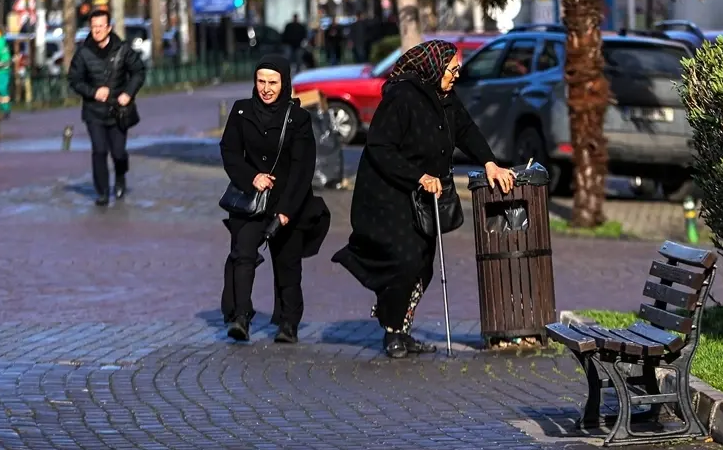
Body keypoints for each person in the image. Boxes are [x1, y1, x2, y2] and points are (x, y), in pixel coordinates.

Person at [332, 40, 516, 358]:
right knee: (404, 262)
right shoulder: (402, 97)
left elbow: (467, 130)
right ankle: (392, 331)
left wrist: (489, 162)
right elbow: (380, 148)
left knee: (423, 266)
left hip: (426, 196)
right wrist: (418, 176)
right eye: (452, 69)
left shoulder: (445, 97)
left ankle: (403, 328)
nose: (457, 74)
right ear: (433, 68)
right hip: (388, 193)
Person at [219, 56, 329, 344]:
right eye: (261, 82)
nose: (266, 88)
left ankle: (288, 323)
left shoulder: (298, 119)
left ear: (285, 84)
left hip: (288, 201)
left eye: (273, 82)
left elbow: (303, 168)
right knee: (243, 254)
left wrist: (285, 212)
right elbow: (229, 151)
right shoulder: (241, 111)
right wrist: (251, 177)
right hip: (250, 200)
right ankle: (241, 317)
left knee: (287, 263)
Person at [67, 9, 146, 206]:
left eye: (101, 26)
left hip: (118, 111)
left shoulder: (123, 50)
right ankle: (101, 192)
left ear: (109, 28)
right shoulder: (83, 53)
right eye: (94, 27)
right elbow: (74, 80)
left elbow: (138, 71)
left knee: (118, 152)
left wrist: (128, 93)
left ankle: (120, 176)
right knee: (99, 151)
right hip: (94, 112)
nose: (97, 31)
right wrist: (93, 92)